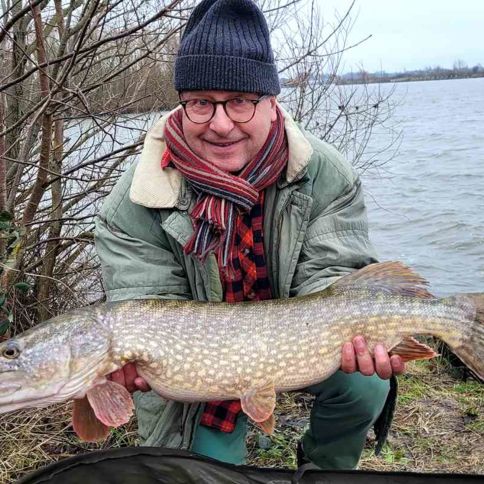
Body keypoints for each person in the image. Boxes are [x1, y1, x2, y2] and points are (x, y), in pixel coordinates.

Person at [95, 0, 405, 470]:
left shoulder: (324, 175)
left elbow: (333, 279)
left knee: (366, 383)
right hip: (199, 382)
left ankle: (324, 469)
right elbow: (146, 307)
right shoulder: (133, 203)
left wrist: (368, 333)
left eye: (240, 100)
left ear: (272, 101)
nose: (221, 124)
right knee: (203, 474)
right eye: (201, 102)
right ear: (181, 104)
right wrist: (122, 366)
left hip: (303, 348)